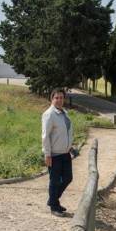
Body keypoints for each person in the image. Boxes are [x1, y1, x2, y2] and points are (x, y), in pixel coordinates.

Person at [41, 88, 75, 217]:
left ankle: (52, 200)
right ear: (52, 99)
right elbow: (45, 136)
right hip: (54, 155)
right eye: (57, 98)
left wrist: (70, 147)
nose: (59, 100)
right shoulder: (49, 114)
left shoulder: (64, 113)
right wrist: (47, 154)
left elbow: (65, 133)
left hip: (65, 153)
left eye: (61, 97)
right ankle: (54, 206)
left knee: (68, 178)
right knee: (54, 181)